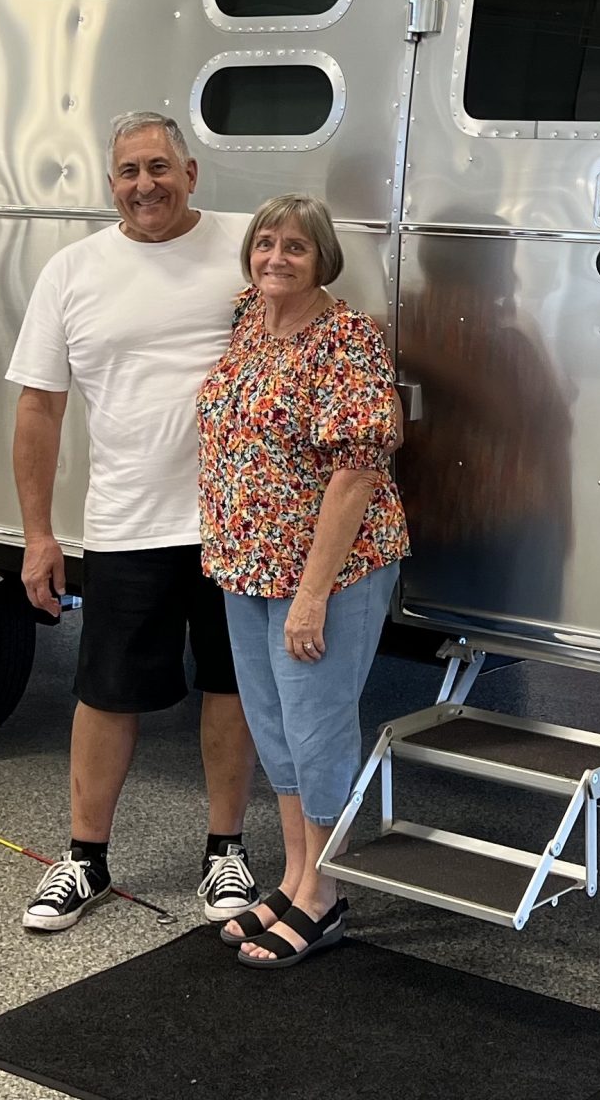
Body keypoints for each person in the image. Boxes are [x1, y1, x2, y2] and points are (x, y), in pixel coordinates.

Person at [7, 112, 261, 932]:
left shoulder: (247, 245)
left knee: (232, 686)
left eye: (158, 167)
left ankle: (226, 849)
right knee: (106, 693)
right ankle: (84, 859)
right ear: (111, 183)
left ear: (190, 172)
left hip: (238, 523)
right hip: (126, 523)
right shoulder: (73, 271)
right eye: (128, 172)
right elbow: (40, 409)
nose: (144, 185)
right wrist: (38, 534)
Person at [196, 194, 409, 968]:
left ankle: (325, 895)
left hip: (326, 570)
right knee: (277, 730)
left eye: (295, 247)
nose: (276, 258)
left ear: (323, 259)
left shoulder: (345, 338)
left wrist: (313, 595)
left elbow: (357, 470)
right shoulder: (248, 317)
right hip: (245, 564)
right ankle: (294, 877)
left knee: (317, 730)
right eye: (265, 243)